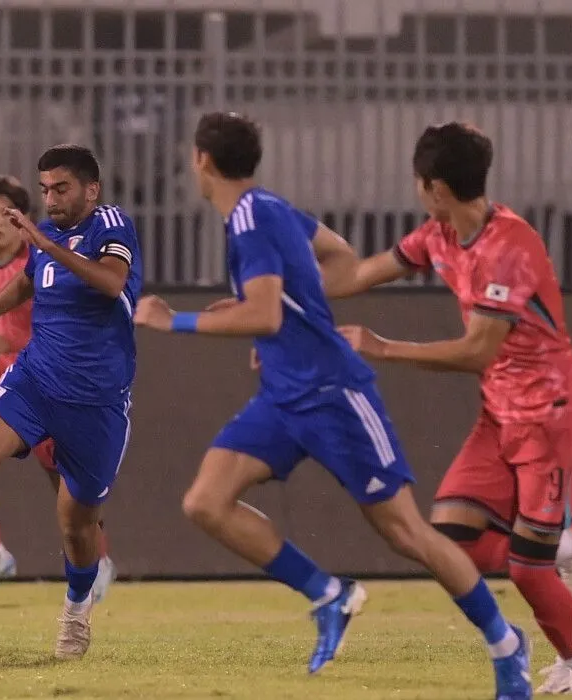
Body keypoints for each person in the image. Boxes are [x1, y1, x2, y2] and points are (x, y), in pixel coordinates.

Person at [133, 112, 532, 699]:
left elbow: (267, 311)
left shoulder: (250, 221)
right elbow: (338, 257)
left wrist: (177, 320)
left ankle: (507, 645)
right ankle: (330, 595)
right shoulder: (267, 208)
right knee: (206, 501)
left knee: (408, 534)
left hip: (333, 395)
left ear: (202, 162)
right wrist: (284, 322)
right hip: (283, 394)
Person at [331, 121, 572, 694]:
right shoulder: (439, 234)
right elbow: (357, 274)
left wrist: (384, 348)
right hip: (498, 414)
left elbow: (479, 350)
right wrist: (284, 275)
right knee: (450, 544)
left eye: (419, 181)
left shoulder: (511, 246)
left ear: (436, 188)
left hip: (550, 415)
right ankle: (565, 542)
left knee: (528, 570)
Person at [0, 145, 141, 660]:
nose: (51, 198)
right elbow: (24, 284)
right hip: (35, 379)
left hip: (96, 401)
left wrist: (43, 240)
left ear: (91, 188)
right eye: (45, 190)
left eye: (60, 188)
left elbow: (110, 282)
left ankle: (77, 607)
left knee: (75, 522)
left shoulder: (112, 224)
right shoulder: (45, 239)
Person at [0, 175, 117, 602]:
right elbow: (2, 322)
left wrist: (5, 343)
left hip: (48, 374)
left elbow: (56, 332)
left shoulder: (42, 261)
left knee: (65, 480)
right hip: (9, 375)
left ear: (22, 221)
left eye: (6, 214)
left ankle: (100, 559)